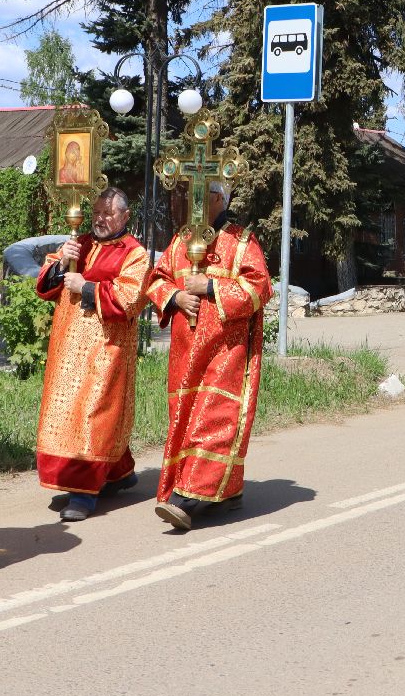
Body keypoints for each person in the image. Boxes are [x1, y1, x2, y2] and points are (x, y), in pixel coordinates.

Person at [143, 183, 273, 529]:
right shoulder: (180, 240)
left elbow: (259, 288)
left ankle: (188, 498)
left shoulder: (241, 241)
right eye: (189, 194)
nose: (190, 201)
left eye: (198, 194)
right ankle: (226, 490)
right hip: (185, 353)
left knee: (214, 419)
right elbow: (155, 279)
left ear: (218, 198)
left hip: (225, 352)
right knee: (185, 419)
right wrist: (174, 298)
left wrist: (211, 287)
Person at [34, 187, 149, 522]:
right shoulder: (78, 243)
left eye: (107, 214)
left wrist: (85, 286)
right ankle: (116, 473)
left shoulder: (135, 253)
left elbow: (131, 298)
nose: (100, 219)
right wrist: (60, 259)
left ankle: (84, 492)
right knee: (65, 410)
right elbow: (46, 287)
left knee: (93, 414)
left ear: (125, 217)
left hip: (105, 347)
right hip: (67, 344)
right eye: (96, 212)